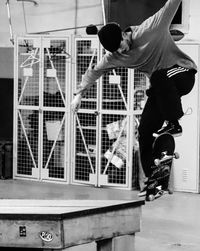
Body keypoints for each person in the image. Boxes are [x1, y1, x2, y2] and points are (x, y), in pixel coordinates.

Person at [71, 0, 197, 181]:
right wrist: (78, 95)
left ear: (124, 34)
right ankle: (153, 178)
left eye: (121, 44)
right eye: (115, 50)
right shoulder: (115, 56)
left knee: (157, 77)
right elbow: (94, 72)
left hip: (183, 73)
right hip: (162, 89)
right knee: (145, 131)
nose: (121, 51)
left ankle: (174, 122)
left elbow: (171, 5)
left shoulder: (151, 27)